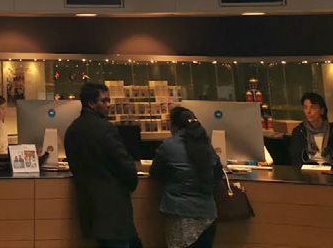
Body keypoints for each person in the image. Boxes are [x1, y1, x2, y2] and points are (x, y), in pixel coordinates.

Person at [64, 83, 141, 248]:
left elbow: (74, 166)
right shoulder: (106, 128)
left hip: (89, 205)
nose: (108, 105)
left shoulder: (72, 129)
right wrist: (132, 183)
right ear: (92, 103)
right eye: (104, 101)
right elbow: (124, 164)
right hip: (113, 208)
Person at [150, 107, 222, 248]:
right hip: (207, 213)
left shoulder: (168, 145)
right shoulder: (207, 146)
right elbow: (217, 175)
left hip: (179, 213)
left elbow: (156, 173)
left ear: (175, 126)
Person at [289, 92, 333, 166]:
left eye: (313, 107)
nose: (308, 111)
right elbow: (295, 159)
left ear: (322, 110)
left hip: (331, 170)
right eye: (305, 107)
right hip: (307, 170)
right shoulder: (299, 131)